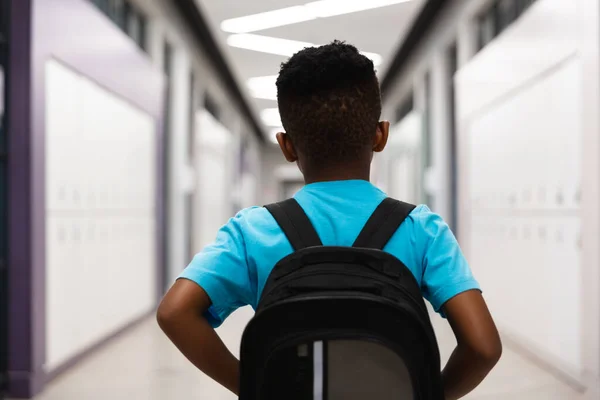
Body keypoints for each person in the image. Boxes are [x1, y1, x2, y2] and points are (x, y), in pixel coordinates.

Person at [157, 40, 502, 399]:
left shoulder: (251, 231)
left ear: (287, 146)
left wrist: (254, 387)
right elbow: (483, 347)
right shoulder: (422, 229)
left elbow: (175, 312)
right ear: (380, 135)